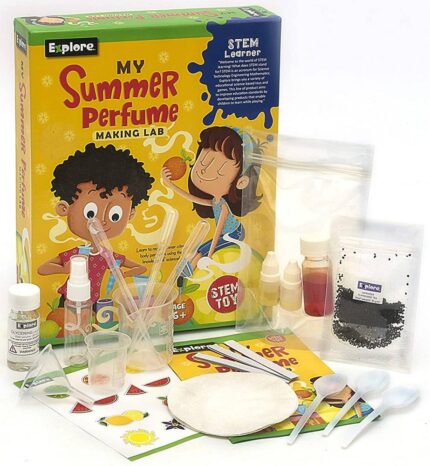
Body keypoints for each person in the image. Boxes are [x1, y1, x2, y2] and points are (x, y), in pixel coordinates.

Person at [38, 143, 154, 306]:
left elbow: (141, 268)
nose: (102, 222)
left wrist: (123, 274)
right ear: (64, 208)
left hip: (95, 301)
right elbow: (42, 268)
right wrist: (64, 269)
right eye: (90, 213)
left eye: (115, 215)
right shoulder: (77, 254)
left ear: (130, 214)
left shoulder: (108, 256)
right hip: (69, 299)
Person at [161, 126, 263, 271]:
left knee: (204, 250)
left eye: (220, 170)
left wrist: (209, 254)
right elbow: (192, 198)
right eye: (204, 161)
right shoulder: (216, 201)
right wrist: (170, 184)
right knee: (198, 249)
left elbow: (218, 232)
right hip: (226, 233)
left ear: (241, 182)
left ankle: (190, 269)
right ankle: (185, 271)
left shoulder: (223, 206)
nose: (204, 170)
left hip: (235, 233)